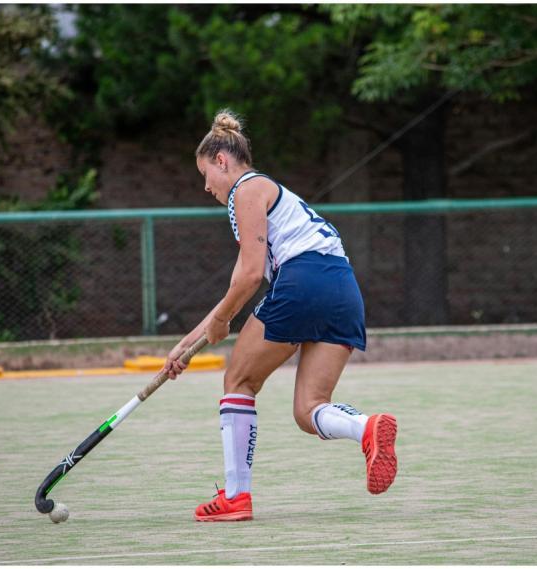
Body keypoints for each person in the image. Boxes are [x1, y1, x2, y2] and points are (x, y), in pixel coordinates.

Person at [162, 110, 398, 522]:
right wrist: (187, 345)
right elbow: (237, 285)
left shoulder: (245, 189)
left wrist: (223, 321)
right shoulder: (271, 198)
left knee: (238, 380)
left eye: (205, 174)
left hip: (304, 280)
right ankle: (367, 428)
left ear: (222, 161)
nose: (206, 186)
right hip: (343, 289)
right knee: (309, 410)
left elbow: (251, 275)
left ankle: (236, 497)